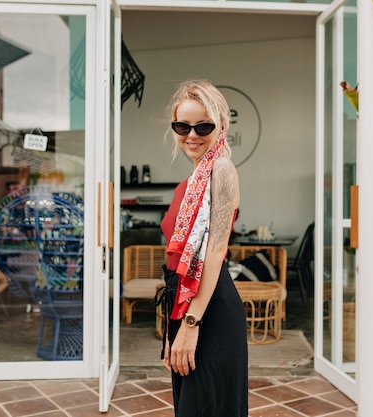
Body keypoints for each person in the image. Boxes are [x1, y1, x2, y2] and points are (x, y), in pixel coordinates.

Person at [158, 80, 248, 416]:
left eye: (203, 126)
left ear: (221, 127)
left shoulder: (221, 170)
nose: (191, 135)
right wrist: (174, 328)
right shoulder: (189, 182)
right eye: (182, 126)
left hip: (210, 311)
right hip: (184, 307)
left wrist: (191, 325)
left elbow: (215, 252)